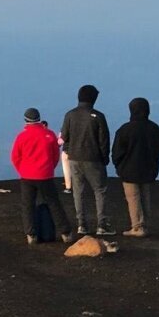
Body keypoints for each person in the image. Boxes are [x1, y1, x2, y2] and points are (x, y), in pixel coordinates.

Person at [11, 108, 73, 245]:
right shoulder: (49, 135)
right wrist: (49, 168)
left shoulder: (22, 136)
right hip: (45, 175)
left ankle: (31, 235)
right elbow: (55, 156)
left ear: (26, 120)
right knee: (54, 203)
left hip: (27, 176)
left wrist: (22, 170)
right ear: (39, 119)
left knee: (28, 205)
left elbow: (15, 157)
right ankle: (66, 233)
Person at [61, 84, 114, 236]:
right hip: (93, 159)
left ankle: (82, 224)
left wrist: (69, 150)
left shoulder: (70, 115)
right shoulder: (98, 116)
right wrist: (104, 158)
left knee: (78, 191)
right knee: (100, 190)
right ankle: (102, 224)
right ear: (94, 98)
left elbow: (64, 136)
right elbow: (104, 140)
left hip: (74, 158)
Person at [111, 97, 159, 237]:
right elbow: (157, 149)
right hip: (149, 168)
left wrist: (119, 166)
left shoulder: (125, 129)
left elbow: (116, 152)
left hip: (128, 170)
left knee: (133, 197)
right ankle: (145, 224)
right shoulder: (155, 128)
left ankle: (137, 227)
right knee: (145, 195)